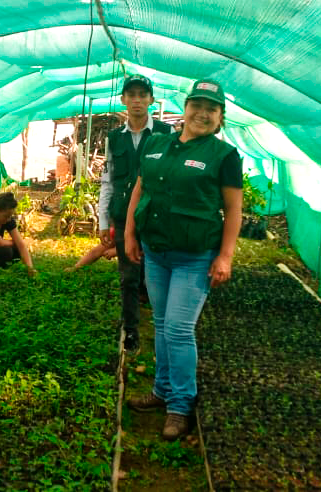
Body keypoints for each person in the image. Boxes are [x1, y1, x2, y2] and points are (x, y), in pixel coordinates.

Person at [123, 79, 243, 441]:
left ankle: (180, 406)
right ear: (185, 107)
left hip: (195, 256)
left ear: (220, 118)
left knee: (178, 328)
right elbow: (140, 189)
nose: (202, 113)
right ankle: (161, 390)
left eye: (212, 108)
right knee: (160, 323)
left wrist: (225, 256)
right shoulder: (158, 144)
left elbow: (234, 209)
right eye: (197, 105)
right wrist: (129, 233)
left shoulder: (224, 156)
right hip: (157, 252)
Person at [97, 74, 174, 351]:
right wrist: (103, 219)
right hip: (121, 214)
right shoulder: (114, 137)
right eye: (132, 95)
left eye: (143, 94)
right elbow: (108, 179)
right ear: (123, 101)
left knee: (153, 274)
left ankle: (163, 327)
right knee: (127, 276)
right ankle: (130, 330)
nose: (137, 100)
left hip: (154, 217)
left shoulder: (166, 134)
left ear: (151, 100)